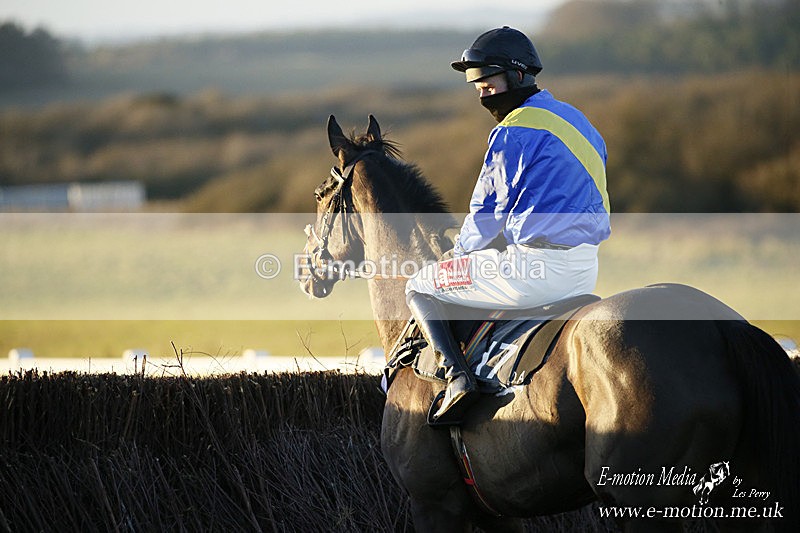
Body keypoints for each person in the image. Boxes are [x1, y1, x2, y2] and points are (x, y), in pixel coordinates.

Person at [405, 26, 611, 424]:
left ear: (517, 76)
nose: (481, 90)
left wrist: (459, 253)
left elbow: (487, 210)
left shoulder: (514, 130)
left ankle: (457, 379)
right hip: (585, 270)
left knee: (419, 283)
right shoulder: (577, 119)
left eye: (487, 81)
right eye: (475, 83)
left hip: (532, 271)